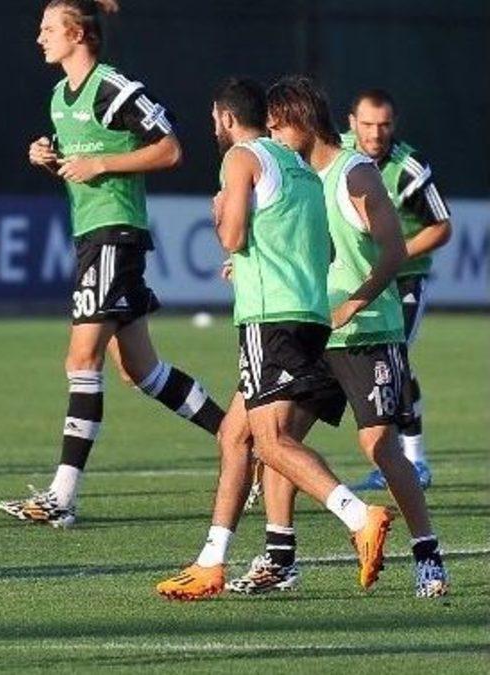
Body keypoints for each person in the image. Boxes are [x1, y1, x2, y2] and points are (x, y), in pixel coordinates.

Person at [156, 76, 395, 601]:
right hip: (310, 317)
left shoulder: (241, 158)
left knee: (271, 443)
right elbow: (320, 248)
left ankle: (359, 516)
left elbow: (233, 235)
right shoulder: (301, 167)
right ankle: (211, 562)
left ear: (226, 117)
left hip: (270, 318)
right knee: (234, 436)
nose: (213, 128)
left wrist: (220, 214)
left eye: (214, 119)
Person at [0, 0, 227, 529]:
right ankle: (240, 443)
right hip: (91, 236)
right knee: (141, 370)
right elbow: (81, 165)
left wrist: (101, 162)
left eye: (49, 28)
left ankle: (62, 496)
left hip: (115, 235)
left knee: (81, 359)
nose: (39, 37)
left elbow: (169, 149)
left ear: (77, 34)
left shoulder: (113, 87)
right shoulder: (60, 95)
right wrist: (49, 157)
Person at [224, 78, 449, 598]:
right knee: (279, 439)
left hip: (368, 331)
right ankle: (280, 558)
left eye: (278, 126)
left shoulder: (356, 173)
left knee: (379, 447)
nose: (272, 136)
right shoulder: (294, 174)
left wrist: (355, 302)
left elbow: (394, 251)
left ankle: (428, 556)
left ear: (301, 121)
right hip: (312, 327)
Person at [344, 89, 451, 491]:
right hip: (356, 278)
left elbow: (442, 226)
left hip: (404, 279)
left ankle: (414, 461)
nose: (376, 133)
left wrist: (395, 253)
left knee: (394, 359)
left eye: (384, 125)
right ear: (351, 122)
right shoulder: (337, 153)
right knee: (374, 363)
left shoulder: (408, 167)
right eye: (368, 124)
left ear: (395, 124)